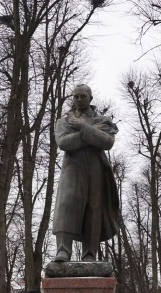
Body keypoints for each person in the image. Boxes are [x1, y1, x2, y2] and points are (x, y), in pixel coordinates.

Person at [52, 83, 119, 262]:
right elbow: (64, 143)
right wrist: (91, 134)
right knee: (66, 204)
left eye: (83, 96)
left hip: (97, 168)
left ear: (90, 98)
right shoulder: (64, 121)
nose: (79, 99)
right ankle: (63, 251)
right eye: (76, 96)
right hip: (72, 167)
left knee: (94, 207)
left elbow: (107, 142)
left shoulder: (103, 120)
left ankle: (89, 254)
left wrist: (83, 127)